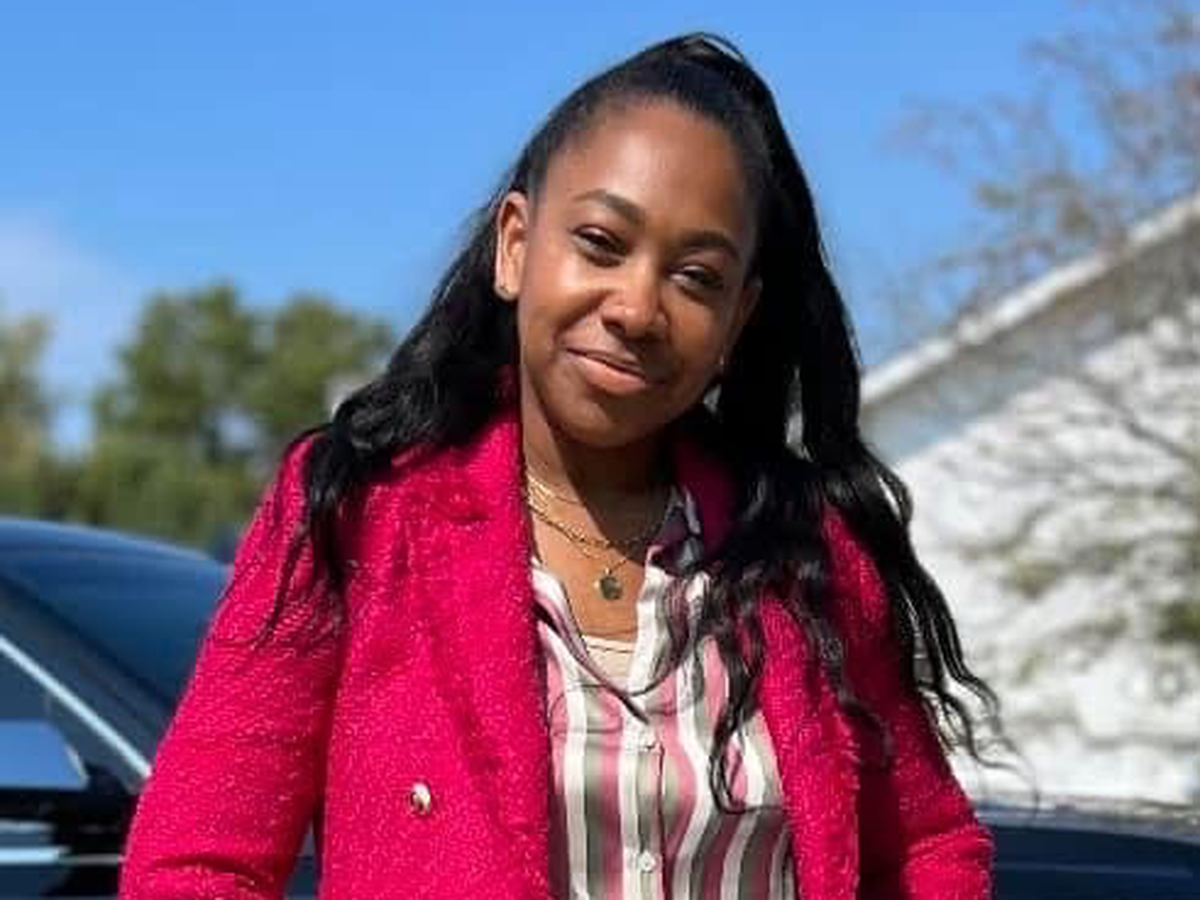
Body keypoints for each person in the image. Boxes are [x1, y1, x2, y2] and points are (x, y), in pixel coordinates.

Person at [120, 33, 999, 900]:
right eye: (601, 243)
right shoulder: (360, 516)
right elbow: (195, 867)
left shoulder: (805, 555)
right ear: (515, 245)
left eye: (696, 278)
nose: (637, 308)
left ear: (737, 320)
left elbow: (927, 847)